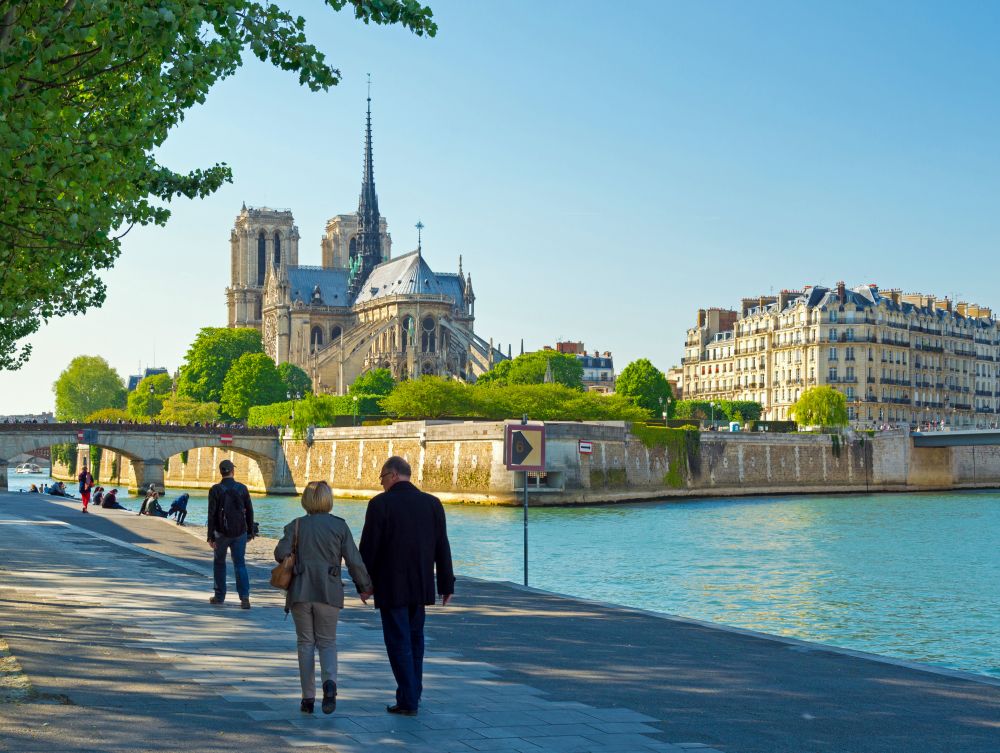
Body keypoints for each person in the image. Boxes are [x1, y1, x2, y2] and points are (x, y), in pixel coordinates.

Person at [360, 456, 454, 717]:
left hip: (391, 587)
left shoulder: (380, 504)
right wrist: (446, 584)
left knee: (398, 642)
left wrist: (364, 584)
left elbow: (369, 549)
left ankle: (408, 699)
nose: (381, 484)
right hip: (421, 586)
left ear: (391, 475)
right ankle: (413, 692)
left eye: (381, 478)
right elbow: (442, 547)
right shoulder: (432, 504)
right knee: (415, 640)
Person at [274, 481, 373, 715]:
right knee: (327, 642)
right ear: (329, 500)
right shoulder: (340, 527)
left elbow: (279, 553)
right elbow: (354, 560)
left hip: (300, 592)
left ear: (306, 501)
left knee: (305, 643)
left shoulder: (296, 525)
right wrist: (364, 586)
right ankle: (330, 684)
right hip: (329, 592)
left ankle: (307, 698)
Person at [207, 459, 255, 609]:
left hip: (221, 533)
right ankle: (244, 597)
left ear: (221, 472)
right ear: (233, 471)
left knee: (219, 563)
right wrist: (250, 532)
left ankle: (219, 596)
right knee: (240, 563)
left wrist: (210, 536)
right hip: (239, 532)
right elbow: (250, 512)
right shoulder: (242, 488)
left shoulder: (215, 489)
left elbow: (212, 514)